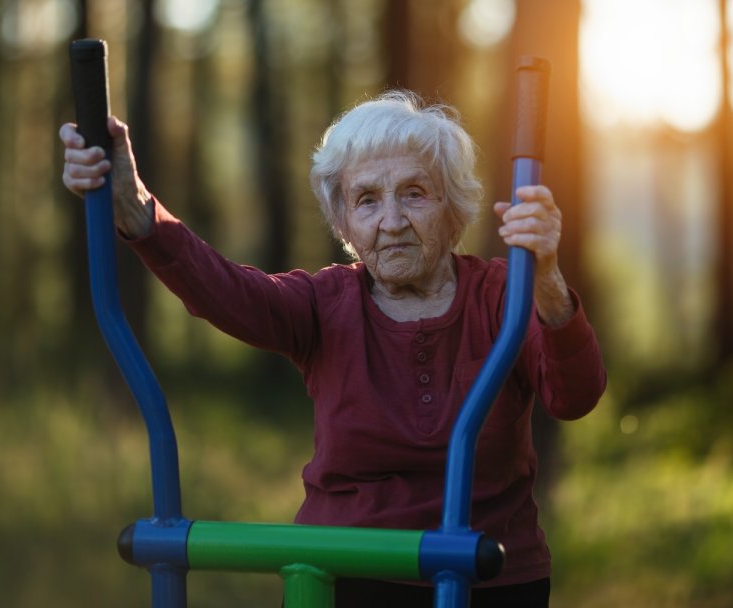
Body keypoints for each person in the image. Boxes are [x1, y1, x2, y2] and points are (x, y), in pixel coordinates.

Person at [60, 91, 606, 608]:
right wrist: (136, 210)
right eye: (367, 200)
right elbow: (226, 291)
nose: (392, 222)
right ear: (343, 221)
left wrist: (549, 283)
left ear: (453, 206)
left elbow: (575, 396)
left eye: (414, 193)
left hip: (487, 577)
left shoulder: (500, 296)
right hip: (345, 576)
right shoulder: (324, 304)